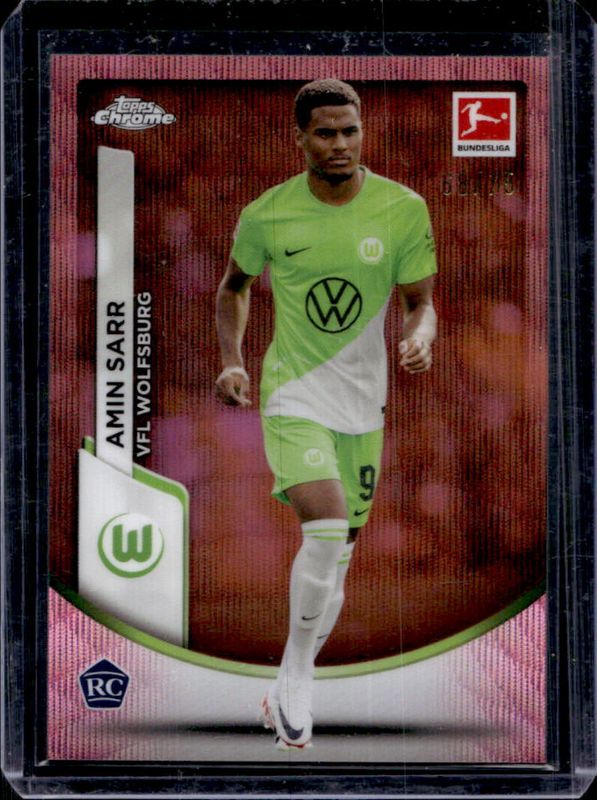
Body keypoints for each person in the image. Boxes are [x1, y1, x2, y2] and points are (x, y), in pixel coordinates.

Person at [215, 79, 437, 750]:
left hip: (364, 404)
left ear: (361, 132)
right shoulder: (267, 214)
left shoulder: (402, 208)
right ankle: (300, 682)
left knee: (337, 560)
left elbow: (419, 302)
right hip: (294, 392)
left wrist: (422, 337)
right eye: (325, 133)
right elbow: (233, 288)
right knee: (326, 528)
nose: (339, 144)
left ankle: (289, 675)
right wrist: (232, 360)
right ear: (300, 139)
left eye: (349, 131)